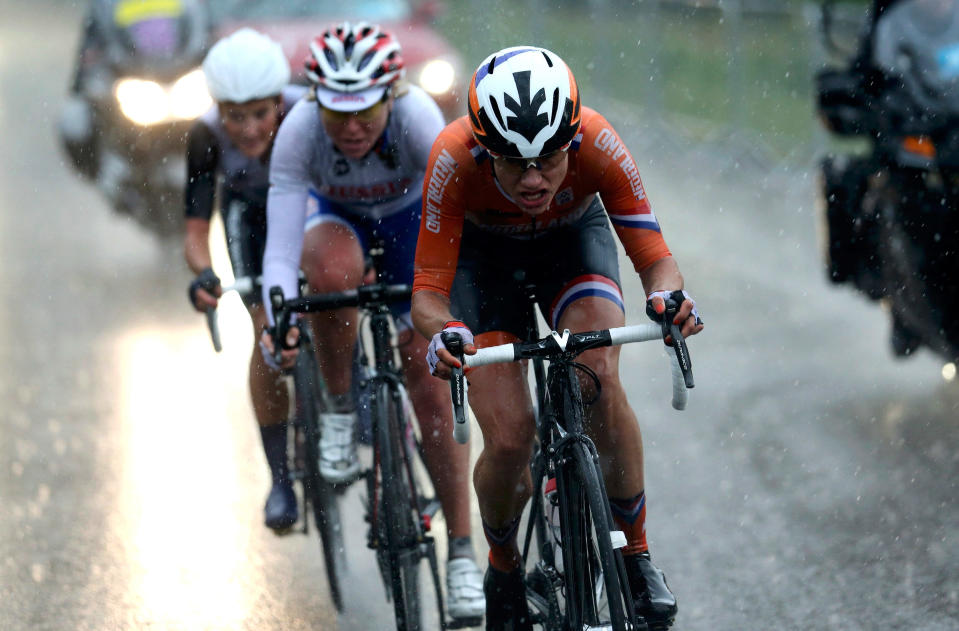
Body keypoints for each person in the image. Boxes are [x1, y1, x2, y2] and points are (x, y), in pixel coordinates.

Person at [411, 46, 704, 631]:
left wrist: (668, 300)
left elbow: (657, 261)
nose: (534, 178)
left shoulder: (596, 141)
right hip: (483, 265)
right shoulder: (452, 156)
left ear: (570, 139)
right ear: (484, 149)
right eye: (513, 163)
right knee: (512, 437)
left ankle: (637, 555)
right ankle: (504, 565)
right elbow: (427, 293)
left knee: (597, 373)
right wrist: (446, 332)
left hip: (571, 244)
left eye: (547, 158)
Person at [258, 22, 485, 622]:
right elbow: (281, 250)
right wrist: (279, 313)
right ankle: (337, 408)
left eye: (366, 112)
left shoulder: (417, 121)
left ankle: (461, 550)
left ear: (392, 96)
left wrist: (433, 314)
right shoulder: (300, 131)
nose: (352, 128)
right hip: (337, 223)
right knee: (331, 276)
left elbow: (451, 231)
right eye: (337, 113)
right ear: (315, 102)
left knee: (432, 394)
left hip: (413, 225)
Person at [184, 28, 307, 531]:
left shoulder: (306, 114)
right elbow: (194, 231)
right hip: (249, 219)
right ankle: (280, 479)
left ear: (280, 99)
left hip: (306, 209)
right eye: (236, 116)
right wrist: (204, 273)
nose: (251, 129)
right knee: (266, 332)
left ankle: (351, 388)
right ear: (219, 110)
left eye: (261, 113)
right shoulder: (204, 134)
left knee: (328, 297)